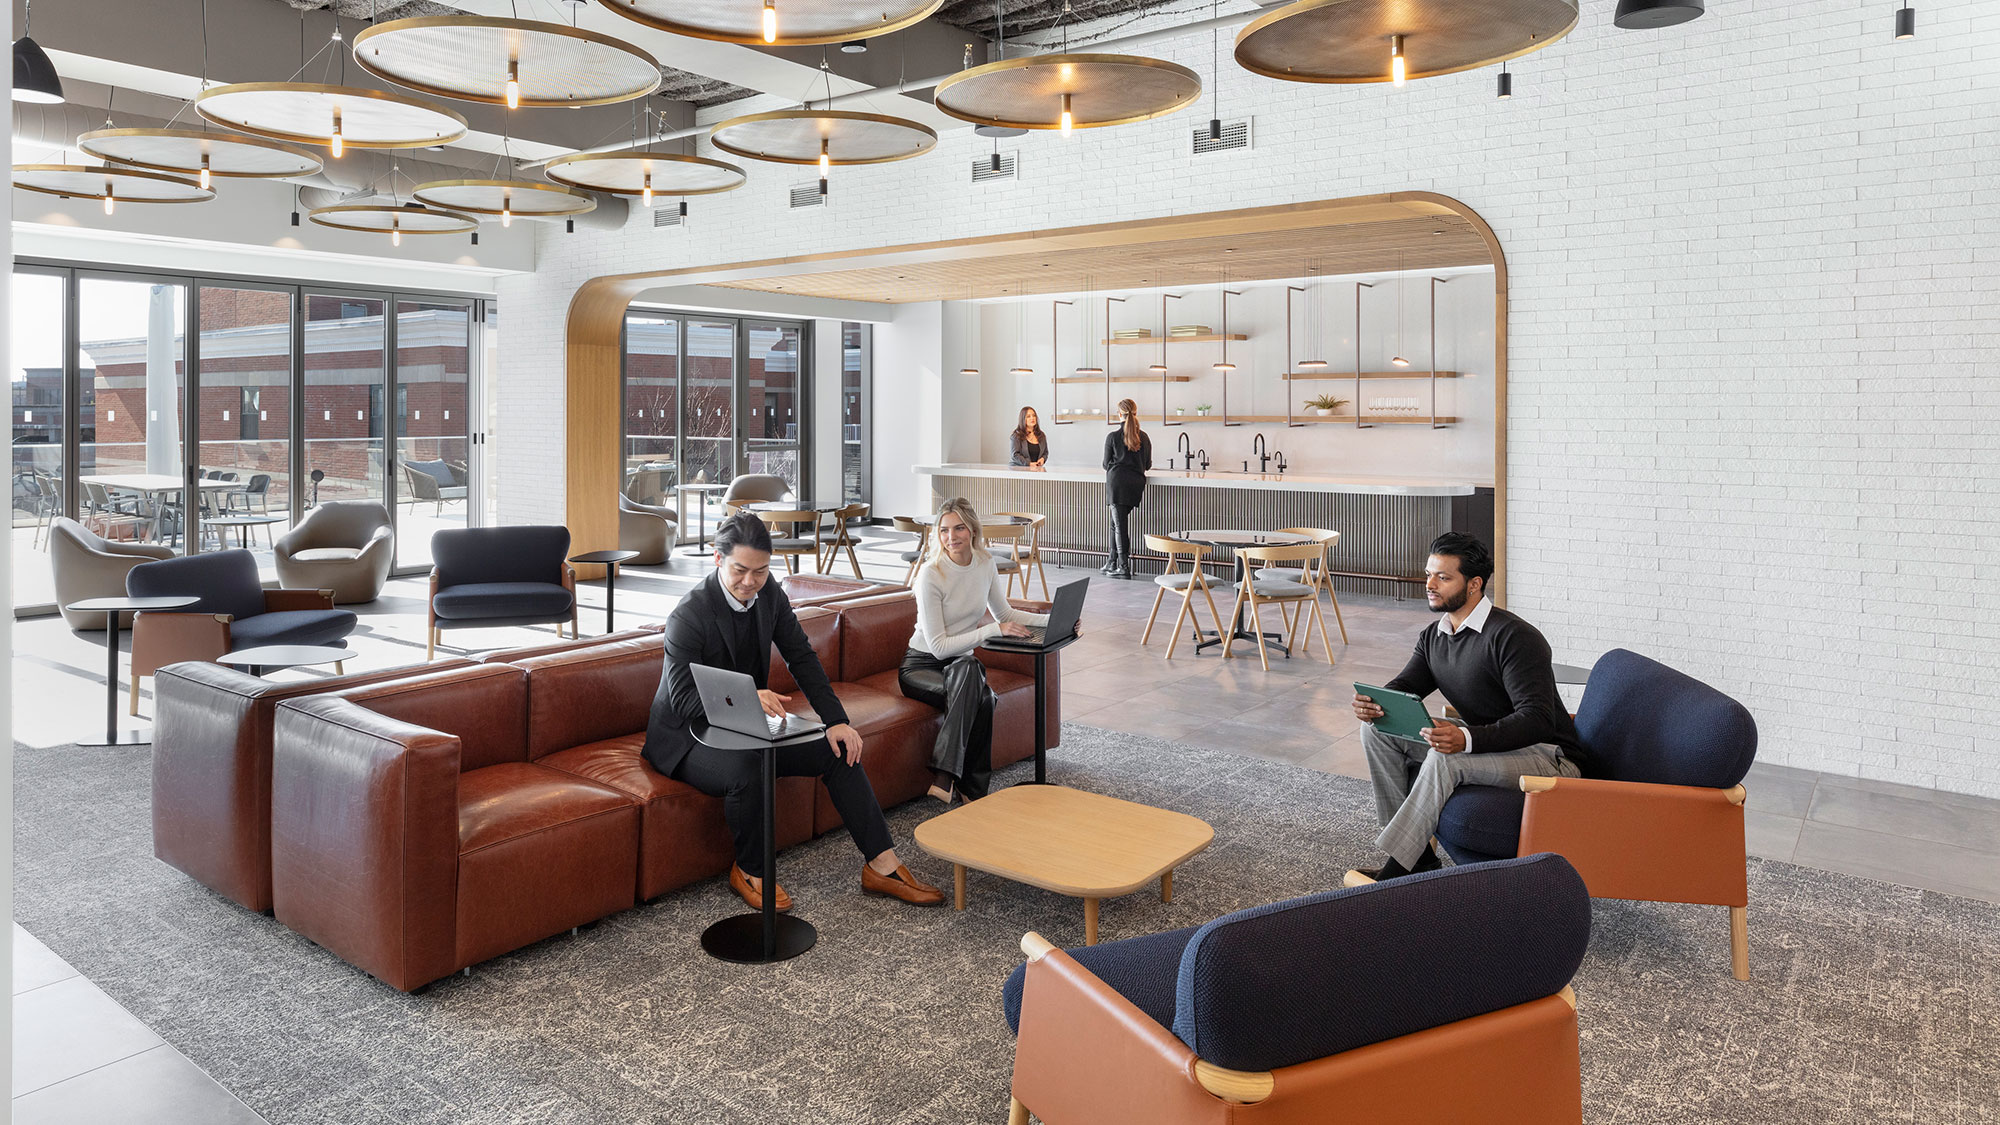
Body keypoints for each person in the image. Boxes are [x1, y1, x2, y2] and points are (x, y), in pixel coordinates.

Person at [642, 513, 944, 911]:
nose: (750, 582)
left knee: (838, 749)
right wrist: (750, 696)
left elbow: (801, 657)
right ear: (717, 559)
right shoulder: (689, 615)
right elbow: (682, 700)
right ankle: (750, 870)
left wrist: (836, 721)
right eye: (740, 570)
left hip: (746, 726)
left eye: (761, 571)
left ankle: (881, 866)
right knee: (749, 770)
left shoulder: (770, 596)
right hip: (687, 736)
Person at [1350, 532, 1587, 881]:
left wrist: (1467, 739)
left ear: (1474, 584)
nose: (1430, 584)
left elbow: (1537, 719)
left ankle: (1397, 871)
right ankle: (1418, 859)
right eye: (1430, 574)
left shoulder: (1514, 638)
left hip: (1548, 756)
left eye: (1443, 578)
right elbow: (1406, 685)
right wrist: (1376, 703)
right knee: (1376, 732)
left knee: (1446, 757)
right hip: (1493, 745)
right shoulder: (1436, 635)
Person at [900, 498, 1059, 804]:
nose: (951, 537)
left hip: (961, 668)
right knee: (977, 682)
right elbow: (938, 646)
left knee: (979, 686)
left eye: (959, 528)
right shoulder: (930, 575)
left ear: (972, 529)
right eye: (944, 530)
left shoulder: (984, 563)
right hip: (921, 667)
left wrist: (1053, 621)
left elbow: (1006, 615)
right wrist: (990, 631)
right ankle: (966, 787)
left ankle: (953, 782)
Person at [1100, 397, 1151, 579]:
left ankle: (1123, 566)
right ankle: (1111, 561)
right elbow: (1148, 464)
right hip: (1135, 485)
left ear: (1119, 414)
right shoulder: (1143, 437)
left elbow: (1106, 464)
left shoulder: (1112, 437)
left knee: (1119, 525)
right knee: (1116, 524)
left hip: (1117, 485)